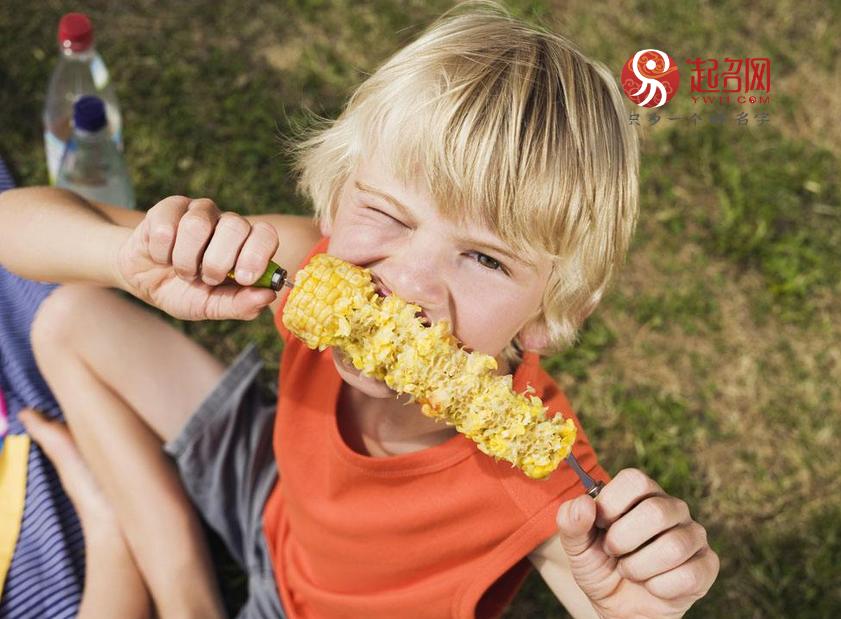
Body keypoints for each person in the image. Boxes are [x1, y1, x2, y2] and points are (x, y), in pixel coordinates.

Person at [0, 3, 719, 618]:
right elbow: (13, 225)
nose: (405, 280)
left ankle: (121, 537)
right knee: (72, 316)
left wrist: (643, 601)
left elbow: (605, 591)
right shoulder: (308, 260)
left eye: (486, 259)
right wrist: (128, 260)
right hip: (273, 494)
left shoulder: (538, 481)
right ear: (335, 198)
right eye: (386, 213)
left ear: (548, 311)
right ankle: (185, 586)